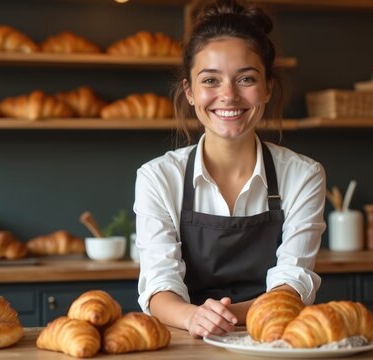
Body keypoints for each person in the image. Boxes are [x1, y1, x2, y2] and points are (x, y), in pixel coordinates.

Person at [133, 0, 326, 338]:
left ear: (267, 88)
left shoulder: (303, 175)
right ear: (190, 92)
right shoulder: (158, 177)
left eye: (246, 79)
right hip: (186, 339)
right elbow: (159, 284)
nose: (229, 95)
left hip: (273, 338)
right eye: (210, 80)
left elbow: (292, 283)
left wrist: (218, 316)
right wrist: (193, 318)